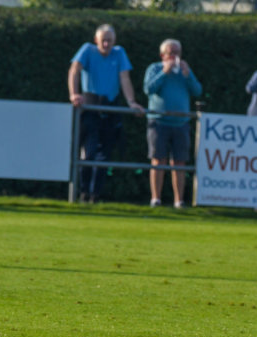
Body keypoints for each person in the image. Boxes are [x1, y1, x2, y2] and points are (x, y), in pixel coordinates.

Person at [68, 24, 144, 203]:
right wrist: (74, 94)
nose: (106, 44)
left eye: (109, 40)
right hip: (90, 106)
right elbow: (74, 70)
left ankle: (95, 195)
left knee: (104, 155)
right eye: (103, 40)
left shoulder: (119, 53)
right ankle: (83, 192)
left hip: (110, 107)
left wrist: (131, 102)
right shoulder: (87, 50)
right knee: (89, 152)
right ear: (96, 40)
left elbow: (124, 78)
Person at [143, 39, 203, 209]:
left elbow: (197, 90)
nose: (174, 56)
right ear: (162, 55)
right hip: (159, 121)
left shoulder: (184, 71)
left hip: (181, 123)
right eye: (171, 53)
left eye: (177, 53)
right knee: (158, 160)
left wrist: (188, 75)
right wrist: (164, 72)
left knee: (179, 162)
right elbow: (148, 89)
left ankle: (179, 201)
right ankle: (156, 199)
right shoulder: (154, 68)